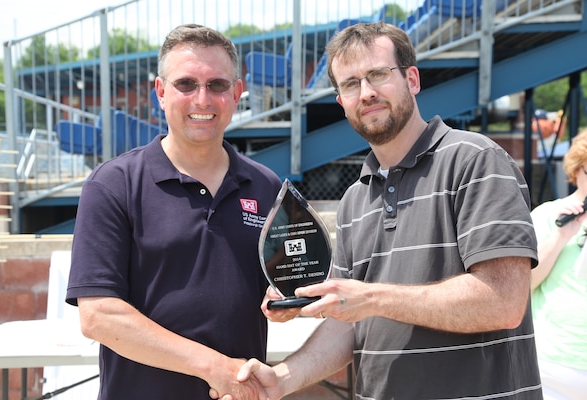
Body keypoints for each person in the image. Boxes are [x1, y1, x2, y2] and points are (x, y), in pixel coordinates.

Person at [220, 21, 543, 399]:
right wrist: (283, 379)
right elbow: (349, 325)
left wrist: (369, 297)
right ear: (341, 102)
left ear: (412, 79)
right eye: (351, 84)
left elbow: (503, 303)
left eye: (378, 74)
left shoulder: (476, 161)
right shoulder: (356, 199)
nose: (367, 93)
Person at [66, 24, 282, 400]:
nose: (202, 99)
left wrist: (283, 295)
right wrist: (214, 366)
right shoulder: (113, 185)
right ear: (161, 92)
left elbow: (280, 281)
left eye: (216, 85)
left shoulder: (266, 187)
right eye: (186, 84)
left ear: (236, 93)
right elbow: (99, 315)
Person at [530, 128, 587, 400]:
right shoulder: (547, 216)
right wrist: (561, 236)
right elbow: (524, 282)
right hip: (552, 363)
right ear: (577, 170)